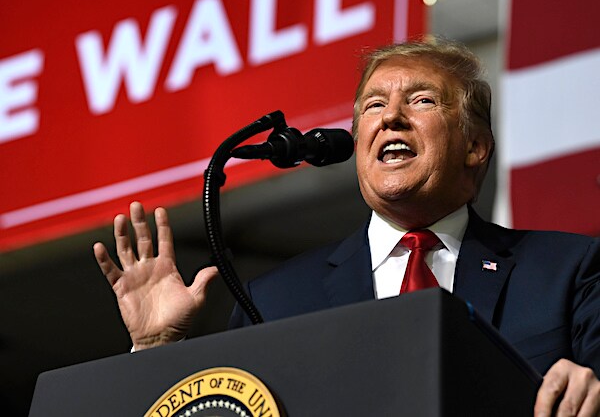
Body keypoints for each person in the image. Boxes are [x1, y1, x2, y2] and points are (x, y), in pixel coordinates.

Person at [94, 38, 600, 416]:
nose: (392, 118)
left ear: (475, 147)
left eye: (422, 101)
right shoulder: (277, 300)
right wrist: (157, 355)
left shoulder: (567, 272)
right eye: (373, 106)